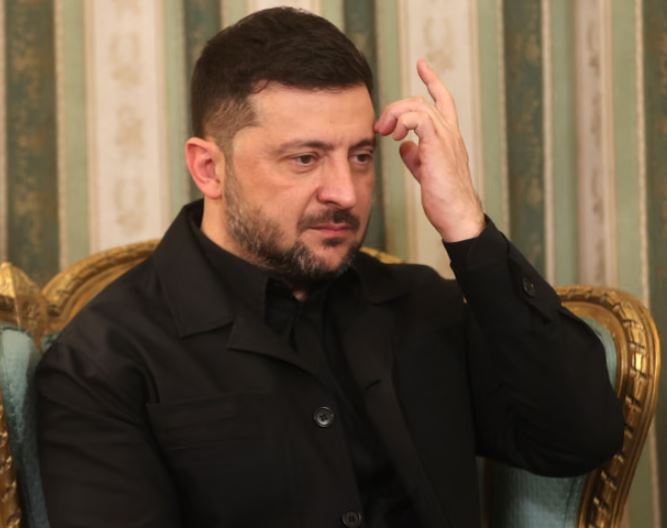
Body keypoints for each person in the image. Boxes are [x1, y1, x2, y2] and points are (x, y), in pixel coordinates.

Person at [37, 7, 623, 528]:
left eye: (361, 156)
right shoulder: (104, 359)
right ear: (209, 169)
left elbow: (579, 436)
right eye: (305, 158)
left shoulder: (420, 307)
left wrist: (467, 227)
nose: (344, 191)